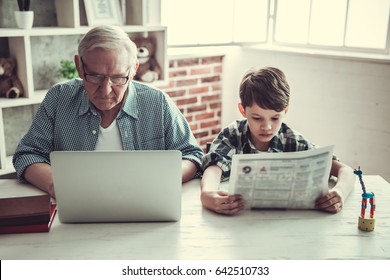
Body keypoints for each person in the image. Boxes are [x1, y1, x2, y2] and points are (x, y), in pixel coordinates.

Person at [13, 25, 203, 198]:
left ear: (134, 69)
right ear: (79, 66)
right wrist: (56, 185)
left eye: (119, 78)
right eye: (95, 77)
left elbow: (192, 155)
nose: (105, 90)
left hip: (146, 209)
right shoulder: (59, 98)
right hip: (76, 210)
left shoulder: (157, 102)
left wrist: (161, 181)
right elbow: (28, 154)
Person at [201, 67, 355, 215]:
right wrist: (207, 194)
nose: (266, 127)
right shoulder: (233, 134)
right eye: (257, 118)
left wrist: (340, 192)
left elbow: (345, 170)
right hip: (237, 221)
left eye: (275, 118)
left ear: (285, 111)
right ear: (243, 110)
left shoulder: (292, 140)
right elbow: (214, 168)